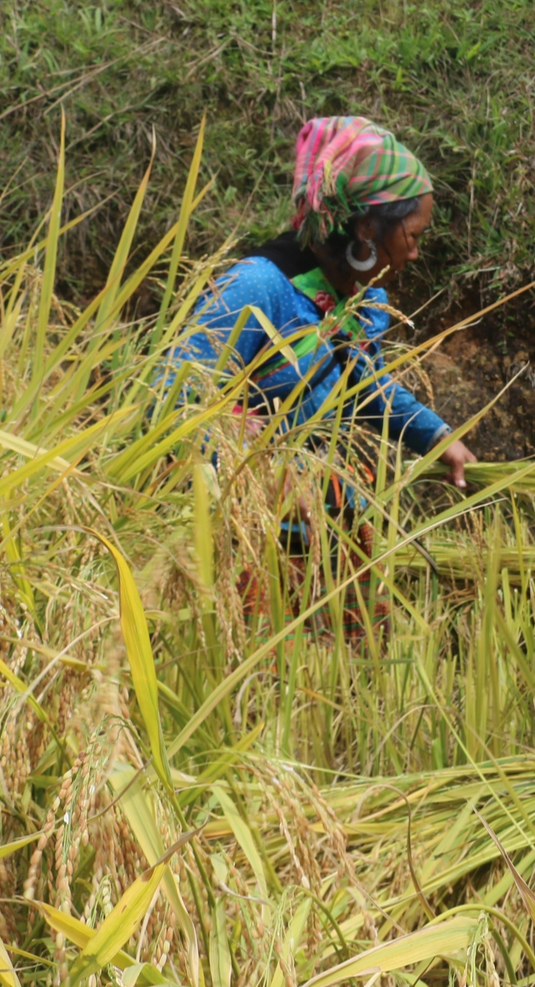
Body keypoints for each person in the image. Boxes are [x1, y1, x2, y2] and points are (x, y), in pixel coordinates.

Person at [163, 116, 477, 634]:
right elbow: (173, 394)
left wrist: (435, 435)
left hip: (335, 523)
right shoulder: (258, 288)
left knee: (351, 675)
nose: (416, 253)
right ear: (366, 229)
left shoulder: (366, 295)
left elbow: (360, 382)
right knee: (269, 686)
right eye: (413, 236)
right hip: (253, 536)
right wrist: (263, 465)